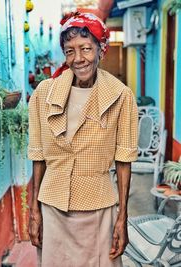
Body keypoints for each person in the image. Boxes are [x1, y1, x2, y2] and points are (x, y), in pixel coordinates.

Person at [28, 12, 138, 267]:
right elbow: (38, 156)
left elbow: (124, 161)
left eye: (86, 49)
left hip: (98, 209)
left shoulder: (121, 96)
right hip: (53, 208)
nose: (78, 59)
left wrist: (122, 216)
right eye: (70, 51)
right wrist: (34, 210)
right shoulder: (44, 94)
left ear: (101, 50)